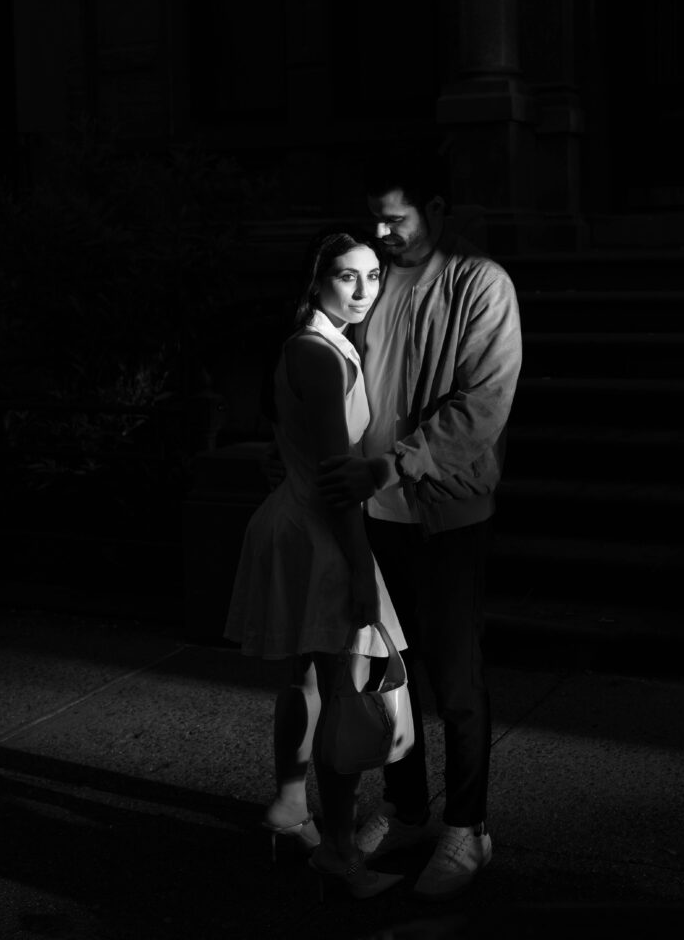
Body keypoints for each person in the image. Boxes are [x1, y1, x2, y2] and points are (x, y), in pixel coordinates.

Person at [317, 152, 522, 901]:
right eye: (374, 214)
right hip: (376, 512)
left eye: (395, 217)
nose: (379, 231)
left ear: (435, 210)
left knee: (457, 679)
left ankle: (467, 829)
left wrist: (392, 465)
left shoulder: (480, 284)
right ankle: (407, 810)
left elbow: (483, 405)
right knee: (389, 670)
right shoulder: (376, 281)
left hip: (446, 512)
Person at [224, 226, 406, 900]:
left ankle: (289, 805)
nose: (362, 290)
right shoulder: (321, 354)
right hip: (316, 530)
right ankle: (336, 850)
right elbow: (337, 480)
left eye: (372, 276)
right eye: (346, 276)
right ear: (317, 279)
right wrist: (361, 572)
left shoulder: (311, 343)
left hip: (291, 519)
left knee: (306, 678)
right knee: (340, 688)